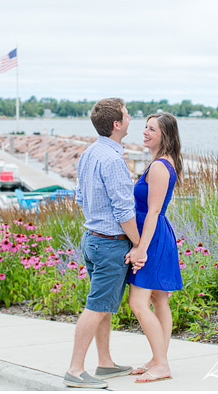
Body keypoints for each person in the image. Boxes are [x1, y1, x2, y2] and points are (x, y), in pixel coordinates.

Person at [64, 98, 147, 389]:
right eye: (127, 115)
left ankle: (105, 363)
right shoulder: (113, 159)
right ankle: (75, 370)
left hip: (92, 239)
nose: (130, 119)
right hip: (111, 243)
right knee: (97, 306)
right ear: (116, 124)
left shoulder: (90, 153)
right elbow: (124, 212)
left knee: (103, 304)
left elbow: (80, 199)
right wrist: (139, 245)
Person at [126, 112, 184, 383]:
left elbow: (154, 211)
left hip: (152, 238)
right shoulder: (161, 162)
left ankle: (161, 364)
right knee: (160, 300)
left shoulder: (160, 166)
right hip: (157, 235)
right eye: (145, 127)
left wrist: (141, 249)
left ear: (165, 135)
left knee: (138, 302)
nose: (146, 132)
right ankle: (158, 358)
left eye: (152, 129)